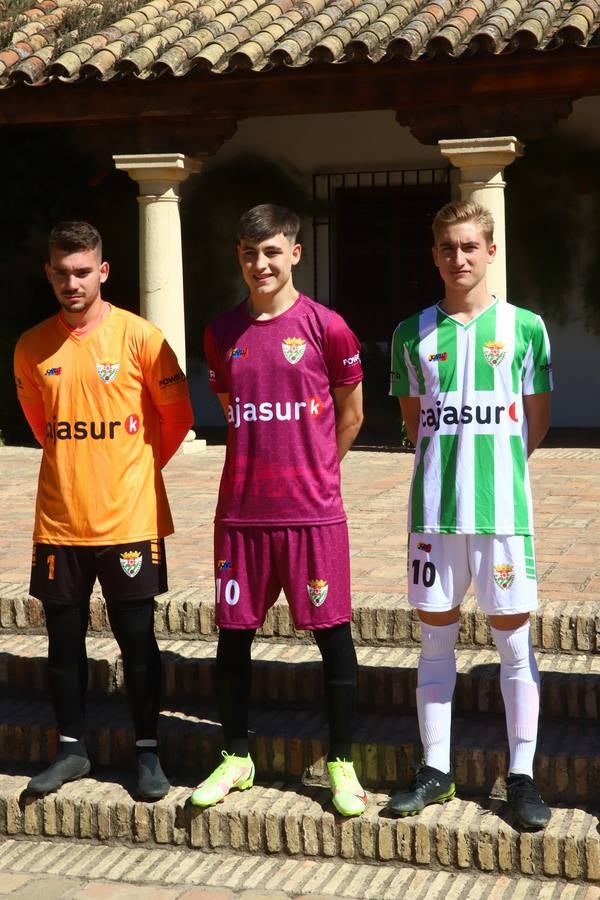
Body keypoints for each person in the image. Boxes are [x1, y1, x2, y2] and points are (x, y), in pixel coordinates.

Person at [191, 203, 366, 816]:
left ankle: (342, 761)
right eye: (248, 252)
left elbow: (352, 414)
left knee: (333, 636)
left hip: (312, 514)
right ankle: (236, 757)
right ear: (238, 256)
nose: (259, 263)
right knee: (233, 638)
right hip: (241, 513)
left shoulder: (328, 326)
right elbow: (233, 410)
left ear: (294, 253)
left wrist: (317, 467)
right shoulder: (221, 333)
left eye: (270, 252)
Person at [387, 200, 553, 829]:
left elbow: (534, 421)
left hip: (503, 514)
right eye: (447, 248)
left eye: (470, 247)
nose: (459, 258)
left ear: (490, 251)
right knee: (435, 641)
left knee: (514, 642)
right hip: (433, 515)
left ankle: (523, 775)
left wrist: (495, 467)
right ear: (435, 255)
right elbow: (416, 424)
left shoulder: (526, 327)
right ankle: (436, 769)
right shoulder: (411, 333)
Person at [14, 221, 193, 800]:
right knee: (61, 645)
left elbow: (178, 419)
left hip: (129, 521)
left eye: (83, 271)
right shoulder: (31, 346)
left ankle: (148, 753)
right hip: (59, 522)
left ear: (103, 271)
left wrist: (130, 471)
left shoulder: (141, 337)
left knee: (137, 641)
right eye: (62, 272)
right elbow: (45, 430)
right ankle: (71, 749)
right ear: (49, 273)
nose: (73, 282)